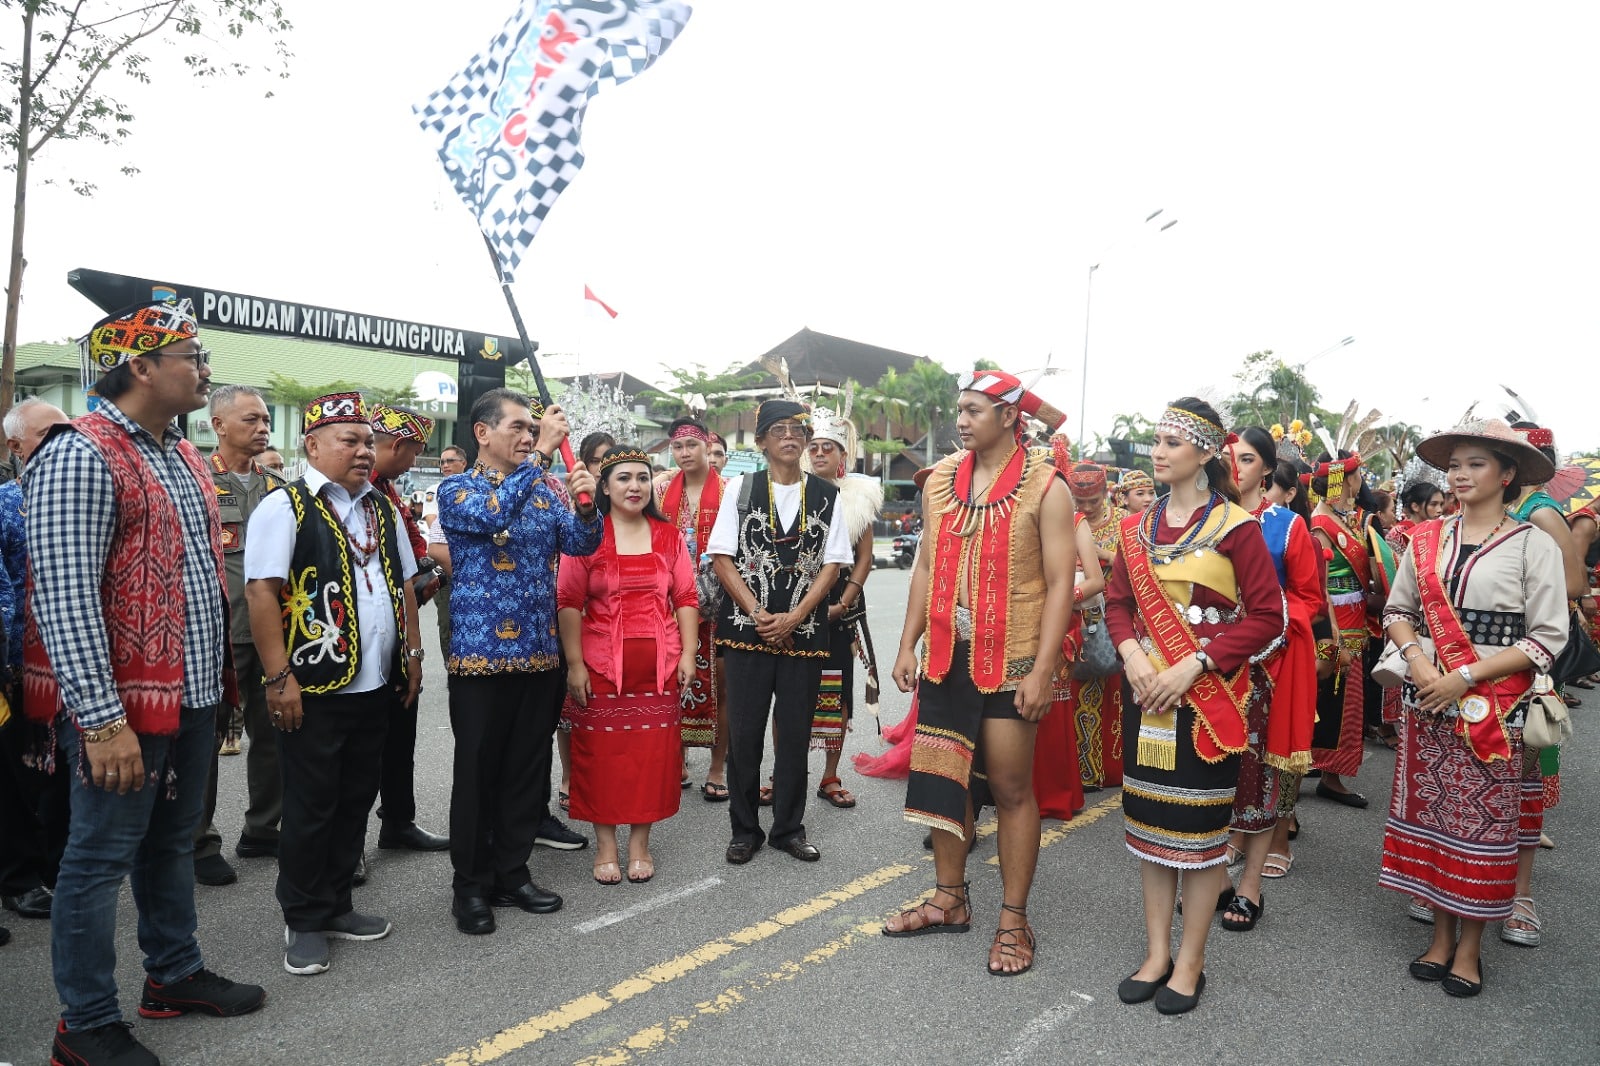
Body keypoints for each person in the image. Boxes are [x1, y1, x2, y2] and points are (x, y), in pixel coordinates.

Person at [25, 297, 265, 1065]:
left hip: (189, 693)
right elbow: (64, 597)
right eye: (192, 358)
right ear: (141, 366)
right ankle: (85, 1025)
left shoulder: (180, 453)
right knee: (97, 860)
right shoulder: (79, 453)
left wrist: (216, 693)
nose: (206, 371)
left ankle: (173, 974)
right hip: (121, 707)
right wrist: (101, 723)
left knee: (170, 843)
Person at [882, 371, 1075, 979]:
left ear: (1010, 416)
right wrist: (907, 642)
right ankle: (950, 899)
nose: (961, 420)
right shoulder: (940, 480)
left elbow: (1062, 584)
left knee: (1013, 790)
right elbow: (924, 567)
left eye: (974, 410)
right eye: (960, 409)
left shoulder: (1047, 486)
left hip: (1013, 660)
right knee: (947, 782)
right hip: (946, 657)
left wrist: (1043, 670)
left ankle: (1014, 919)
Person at [1103, 398, 1283, 1014]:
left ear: (1205, 453)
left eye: (1172, 443)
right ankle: (1157, 953)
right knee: (1150, 828)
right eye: (1156, 440)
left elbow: (1268, 617)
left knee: (1201, 837)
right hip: (1146, 695)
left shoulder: (1236, 527)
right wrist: (1132, 655)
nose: (1158, 452)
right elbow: (1118, 604)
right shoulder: (1136, 527)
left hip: (1208, 702)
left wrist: (1195, 664)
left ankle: (1191, 960)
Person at [1379, 417, 1566, 997]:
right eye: (1454, 465)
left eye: (1475, 464)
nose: (1460, 475)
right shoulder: (1427, 538)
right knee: (1434, 817)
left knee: (1483, 826)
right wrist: (1418, 662)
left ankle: (1470, 948)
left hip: (1494, 708)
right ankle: (1440, 937)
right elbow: (1398, 611)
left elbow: (1546, 638)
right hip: (1426, 698)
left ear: (1507, 474)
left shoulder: (1533, 544)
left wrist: (1463, 676)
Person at [245, 392, 423, 976]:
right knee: (311, 805)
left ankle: (338, 902)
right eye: (350, 440)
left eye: (369, 441)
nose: (364, 451)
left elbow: (405, 583)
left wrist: (413, 654)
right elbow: (261, 592)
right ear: (313, 445)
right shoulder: (285, 506)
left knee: (355, 798)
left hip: (375, 683)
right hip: (314, 685)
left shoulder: (382, 509)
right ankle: (302, 916)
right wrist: (279, 678)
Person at [438, 388, 600, 935]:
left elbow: (580, 545)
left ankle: (512, 873)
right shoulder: (458, 488)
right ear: (482, 433)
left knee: (525, 772)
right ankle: (470, 885)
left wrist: (587, 504)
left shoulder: (544, 488)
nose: (530, 437)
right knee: (477, 773)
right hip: (481, 658)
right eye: (519, 427)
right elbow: (494, 516)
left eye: (534, 429)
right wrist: (545, 457)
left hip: (539, 652)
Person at [709, 399, 852, 865]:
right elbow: (721, 556)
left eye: (797, 429)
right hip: (746, 632)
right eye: (779, 429)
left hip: (804, 634)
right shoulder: (740, 488)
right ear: (761, 441)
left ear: (806, 439)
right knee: (744, 735)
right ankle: (744, 830)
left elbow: (833, 564)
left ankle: (788, 828)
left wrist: (794, 617)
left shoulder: (827, 494)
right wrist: (758, 613)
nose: (790, 436)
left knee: (794, 737)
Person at [558, 449, 697, 884]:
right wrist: (575, 664)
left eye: (642, 477)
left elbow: (685, 597)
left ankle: (640, 845)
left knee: (651, 759)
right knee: (601, 758)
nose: (634, 486)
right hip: (600, 667)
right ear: (604, 486)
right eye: (623, 478)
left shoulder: (668, 535)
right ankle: (605, 846)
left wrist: (688, 654)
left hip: (659, 667)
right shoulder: (587, 536)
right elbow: (568, 601)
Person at [1220, 427, 1318, 927]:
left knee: (1259, 772)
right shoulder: (1206, 520)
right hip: (1211, 665)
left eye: (1246, 458)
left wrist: (1267, 623)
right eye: (1228, 458)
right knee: (1214, 768)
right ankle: (1216, 872)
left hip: (1268, 665)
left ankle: (1251, 886)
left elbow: (1308, 597)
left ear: (1266, 469)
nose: (1235, 467)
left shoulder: (1286, 526)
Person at [191, 385, 286, 890]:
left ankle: (263, 828)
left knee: (273, 732)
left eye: (266, 419)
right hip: (217, 631)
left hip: (268, 631)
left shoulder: (278, 487)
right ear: (218, 425)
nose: (263, 427)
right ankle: (198, 842)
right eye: (251, 419)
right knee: (204, 740)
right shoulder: (196, 480)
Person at [366, 404, 450, 855]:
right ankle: (348, 847)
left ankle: (398, 821)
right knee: (363, 741)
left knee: (401, 729)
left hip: (400, 627)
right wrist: (424, 574)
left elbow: (413, 556)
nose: (415, 460)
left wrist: (426, 574)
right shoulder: (359, 491)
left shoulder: (389, 490)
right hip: (364, 628)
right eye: (415, 451)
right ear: (398, 445)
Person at [0, 399, 69, 927]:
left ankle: (60, 869)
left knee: (67, 775)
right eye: (49, 433)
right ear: (16, 446)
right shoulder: (8, 504)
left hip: (75, 664)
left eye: (69, 431)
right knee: (20, 778)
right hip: (19, 669)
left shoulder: (80, 498)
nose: (62, 442)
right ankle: (20, 878)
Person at [805, 409, 884, 809]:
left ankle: (830, 776)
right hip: (795, 610)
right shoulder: (792, 491)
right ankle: (783, 773)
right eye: (814, 447)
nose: (819, 453)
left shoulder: (857, 496)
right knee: (790, 696)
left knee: (835, 695)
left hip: (838, 611)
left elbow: (865, 558)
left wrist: (843, 603)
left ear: (842, 456)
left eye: (828, 447)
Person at [655, 418, 728, 798]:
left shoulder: (729, 491)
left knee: (723, 687)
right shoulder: (661, 491)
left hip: (720, 603)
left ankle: (717, 768)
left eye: (691, 445)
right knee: (672, 683)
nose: (684, 453)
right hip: (671, 602)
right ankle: (678, 758)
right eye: (678, 446)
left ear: (707, 447)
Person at [1306, 451, 1372, 806]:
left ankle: (1326, 768)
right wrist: (1333, 635)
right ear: (1346, 479)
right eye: (1358, 474)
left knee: (1344, 698)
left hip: (1355, 617)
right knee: (1336, 698)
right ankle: (1329, 774)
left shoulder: (1343, 518)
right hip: (1338, 623)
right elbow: (1320, 584)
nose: (1361, 481)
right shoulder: (1321, 523)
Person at [1064, 458, 1128, 790]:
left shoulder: (1124, 523)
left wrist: (1102, 555)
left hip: (1114, 617)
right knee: (1078, 693)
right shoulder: (1066, 520)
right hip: (1074, 616)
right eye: (1080, 501)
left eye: (1093, 501)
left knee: (1109, 690)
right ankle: (1082, 772)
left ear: (1106, 493)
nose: (1087, 508)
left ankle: (1108, 769)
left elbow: (1139, 566)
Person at [1389, 482, 1446, 548]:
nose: (1440, 510)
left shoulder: (1442, 530)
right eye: (1433, 504)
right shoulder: (1399, 533)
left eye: (1441, 504)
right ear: (1415, 507)